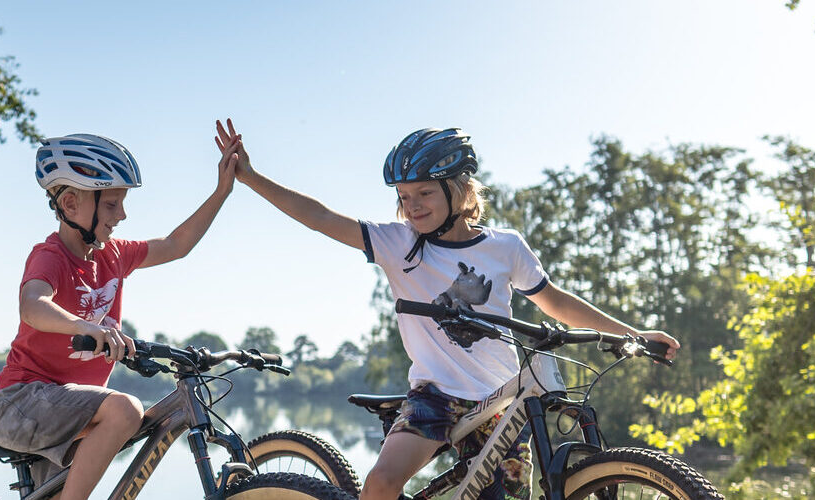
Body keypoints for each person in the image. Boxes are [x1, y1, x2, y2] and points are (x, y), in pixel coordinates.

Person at [214, 120, 678, 500]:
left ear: (459, 191)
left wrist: (631, 333)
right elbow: (320, 218)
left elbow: (553, 300)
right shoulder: (400, 245)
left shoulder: (505, 248)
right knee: (380, 484)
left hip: (502, 400)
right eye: (403, 196)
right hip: (434, 398)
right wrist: (251, 178)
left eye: (423, 194)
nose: (411, 206)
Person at [0, 132, 236, 499]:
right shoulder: (50, 256)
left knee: (124, 418)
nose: (122, 215)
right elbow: (33, 304)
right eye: (111, 204)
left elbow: (175, 245)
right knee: (124, 409)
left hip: (68, 412)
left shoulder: (113, 255)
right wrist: (84, 325)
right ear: (70, 203)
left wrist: (222, 191)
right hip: (22, 403)